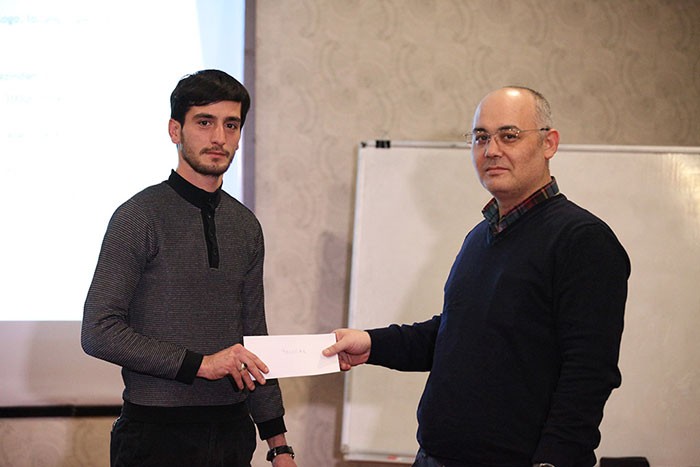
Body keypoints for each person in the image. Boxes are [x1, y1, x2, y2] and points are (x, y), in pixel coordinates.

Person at [323, 86, 630, 467]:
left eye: (509, 135)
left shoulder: (582, 239)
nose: (492, 150)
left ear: (549, 143)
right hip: (434, 456)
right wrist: (372, 344)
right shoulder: (479, 237)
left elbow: (588, 372)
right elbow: (454, 334)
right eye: (481, 137)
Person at [82, 70, 296, 467]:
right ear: (175, 130)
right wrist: (203, 364)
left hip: (233, 433)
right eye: (204, 122)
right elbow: (98, 331)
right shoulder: (138, 217)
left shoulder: (246, 226)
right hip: (154, 433)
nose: (219, 138)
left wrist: (278, 445)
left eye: (231, 125)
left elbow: (255, 338)